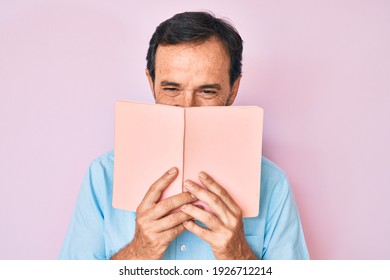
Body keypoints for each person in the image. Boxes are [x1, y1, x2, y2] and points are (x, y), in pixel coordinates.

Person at [59, 11, 309, 260]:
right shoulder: (102, 176)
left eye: (207, 91)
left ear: (233, 91)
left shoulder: (273, 185)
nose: (187, 106)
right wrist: (140, 251)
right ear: (151, 83)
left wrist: (238, 256)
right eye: (171, 88)